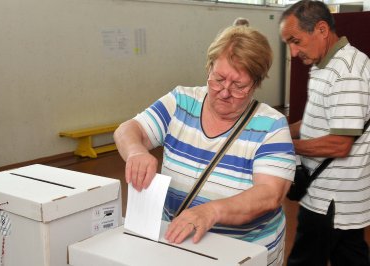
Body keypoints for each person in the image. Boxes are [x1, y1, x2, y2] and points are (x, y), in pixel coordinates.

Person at [114, 25, 295, 266]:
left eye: (239, 86)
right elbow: (127, 130)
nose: (224, 92)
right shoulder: (181, 101)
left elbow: (270, 194)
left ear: (256, 84)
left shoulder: (272, 126)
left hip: (245, 254)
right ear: (209, 67)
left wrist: (212, 211)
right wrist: (136, 151)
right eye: (218, 79)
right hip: (181, 243)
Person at [279, 1, 370, 265]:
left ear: (321, 29)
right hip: (331, 198)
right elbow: (313, 121)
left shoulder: (347, 73)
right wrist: (274, 128)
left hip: (332, 202)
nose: (293, 52)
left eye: (295, 41)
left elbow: (339, 145)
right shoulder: (324, 65)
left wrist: (283, 144)